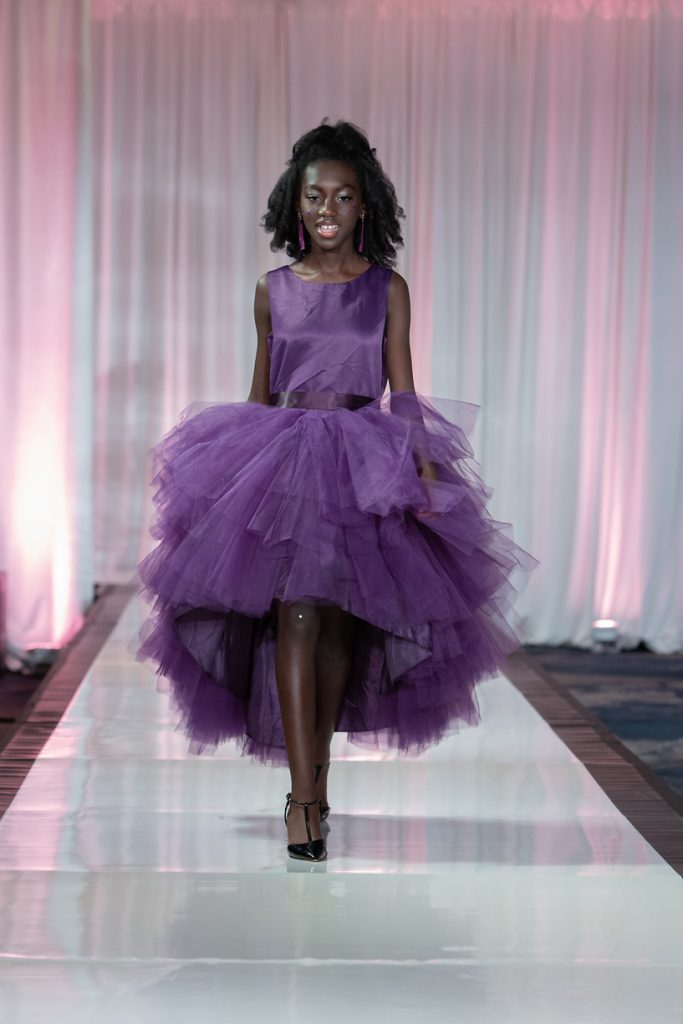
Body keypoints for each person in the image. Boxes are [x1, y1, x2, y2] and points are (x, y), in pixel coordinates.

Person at [131, 119, 537, 863]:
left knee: (341, 629)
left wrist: (422, 473)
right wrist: (230, 480)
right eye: (315, 195)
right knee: (294, 618)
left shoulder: (387, 288)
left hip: (362, 462)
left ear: (364, 206)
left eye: (343, 196)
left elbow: (402, 390)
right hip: (282, 460)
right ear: (296, 203)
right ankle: (302, 797)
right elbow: (258, 395)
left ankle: (318, 776)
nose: (327, 209)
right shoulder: (272, 290)